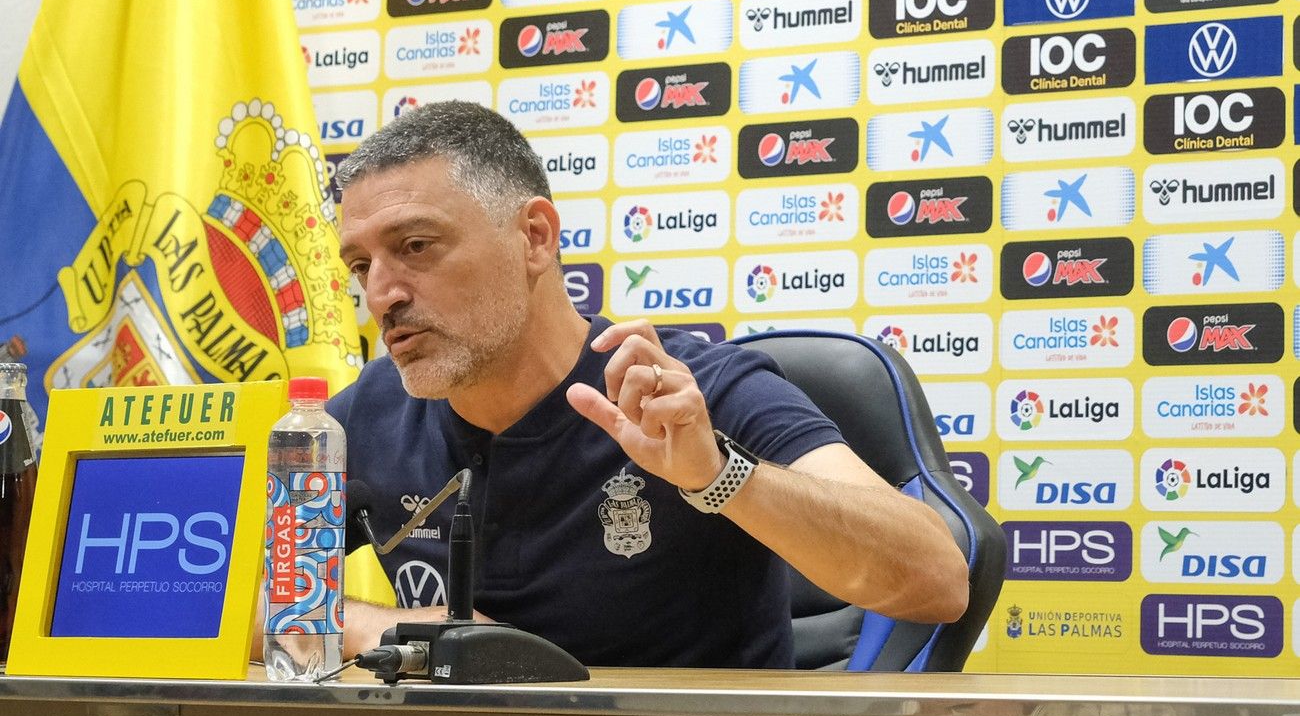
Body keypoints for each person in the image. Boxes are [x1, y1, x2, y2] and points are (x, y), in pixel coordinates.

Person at [328, 101, 968, 668]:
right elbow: (230, 587)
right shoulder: (370, 411)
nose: (381, 295)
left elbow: (938, 580)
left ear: (534, 238)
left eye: (415, 246)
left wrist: (715, 477)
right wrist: (401, 630)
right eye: (361, 265)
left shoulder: (691, 391)